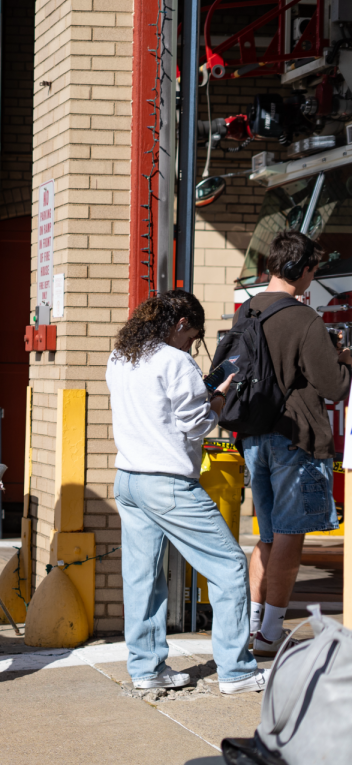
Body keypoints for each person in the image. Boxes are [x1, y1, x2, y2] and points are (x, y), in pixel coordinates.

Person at [107, 290, 268, 695]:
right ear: (180, 325)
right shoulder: (174, 360)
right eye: (192, 336)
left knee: (142, 577)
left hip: (128, 478)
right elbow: (195, 425)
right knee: (230, 567)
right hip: (169, 483)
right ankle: (237, 672)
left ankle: (146, 669)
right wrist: (217, 399)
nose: (192, 345)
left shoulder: (121, 357)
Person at [238, 231, 351, 656]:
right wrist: (342, 358)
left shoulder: (247, 311)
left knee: (266, 534)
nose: (312, 279)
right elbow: (333, 386)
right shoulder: (305, 320)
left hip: (253, 435)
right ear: (300, 269)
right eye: (312, 271)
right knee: (290, 535)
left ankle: (252, 626)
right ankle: (270, 632)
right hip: (296, 439)